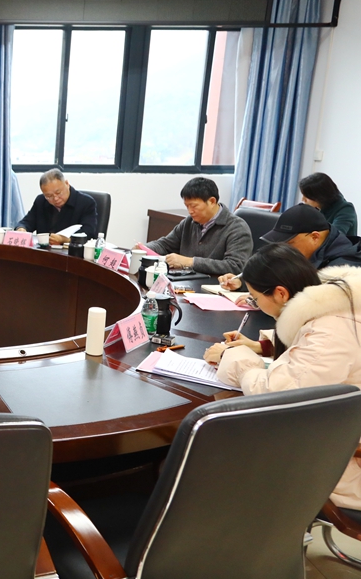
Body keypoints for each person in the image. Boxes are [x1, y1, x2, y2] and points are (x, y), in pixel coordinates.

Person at [203, 243, 361, 510]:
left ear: (280, 293)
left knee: (218, 450)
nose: (255, 303)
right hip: (338, 435)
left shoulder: (329, 333)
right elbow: (314, 356)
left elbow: (276, 394)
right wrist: (262, 345)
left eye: (255, 298)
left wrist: (233, 356)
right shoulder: (342, 304)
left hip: (338, 463)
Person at [217, 204, 361, 293]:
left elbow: (310, 302)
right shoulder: (306, 252)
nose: (285, 249)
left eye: (290, 243)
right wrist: (244, 282)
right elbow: (278, 276)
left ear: (315, 237)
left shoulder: (344, 268)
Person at [139, 177, 252, 276]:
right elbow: (165, 245)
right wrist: (143, 249)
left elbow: (236, 266)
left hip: (215, 287)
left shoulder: (237, 227)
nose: (190, 211)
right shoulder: (189, 222)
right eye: (187, 206)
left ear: (212, 201)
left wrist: (190, 262)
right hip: (186, 281)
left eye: (194, 206)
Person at [15, 168, 97, 244]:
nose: (55, 198)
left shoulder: (86, 203)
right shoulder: (41, 201)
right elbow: (27, 222)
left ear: (67, 184)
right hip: (44, 251)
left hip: (72, 252)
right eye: (49, 196)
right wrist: (21, 229)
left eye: (58, 193)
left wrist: (65, 239)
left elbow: (89, 232)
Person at [300, 172, 357, 238]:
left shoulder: (346, 209)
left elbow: (334, 237)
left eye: (307, 196)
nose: (303, 199)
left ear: (320, 197)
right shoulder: (317, 207)